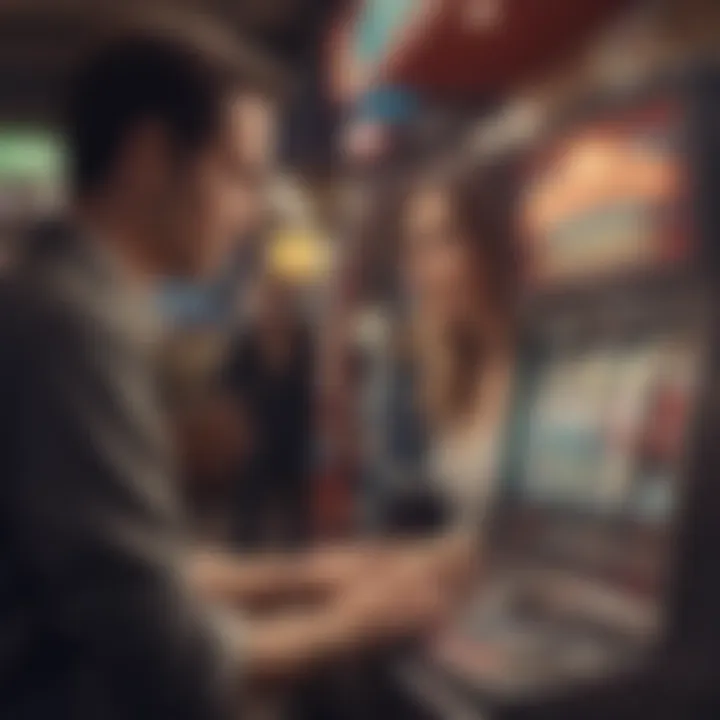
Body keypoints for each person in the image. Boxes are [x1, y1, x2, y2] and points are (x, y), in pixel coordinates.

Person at [0, 20, 473, 720]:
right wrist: (360, 620)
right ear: (151, 157)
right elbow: (168, 658)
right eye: (240, 176)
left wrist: (308, 577)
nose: (251, 216)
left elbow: (146, 570)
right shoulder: (72, 323)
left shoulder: (63, 297)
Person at [399, 160, 518, 529]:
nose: (418, 270)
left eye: (441, 242)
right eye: (413, 248)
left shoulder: (544, 366)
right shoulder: (457, 370)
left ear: (490, 247)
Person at [224, 272, 314, 549]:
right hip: (256, 437)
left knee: (297, 505)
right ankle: (243, 552)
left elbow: (314, 390)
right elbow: (228, 389)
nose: (273, 308)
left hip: (295, 435)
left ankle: (297, 554)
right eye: (267, 301)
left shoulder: (303, 340)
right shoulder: (246, 344)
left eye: (280, 301)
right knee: (249, 489)